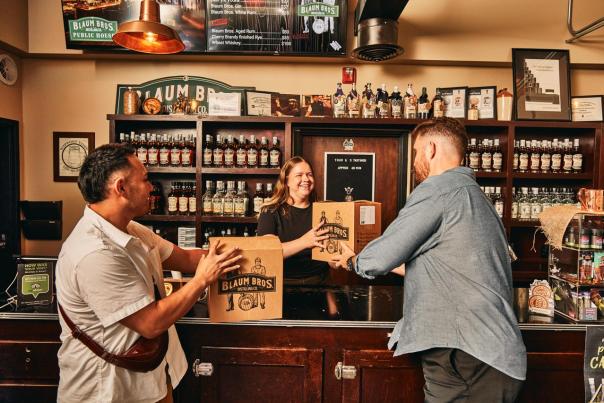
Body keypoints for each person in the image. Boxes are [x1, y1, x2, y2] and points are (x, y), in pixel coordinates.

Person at [331, 117, 526, 402]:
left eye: (416, 152)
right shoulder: (475, 196)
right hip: (489, 358)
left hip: (467, 358)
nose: (414, 162)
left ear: (431, 149)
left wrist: (354, 261)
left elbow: (379, 259)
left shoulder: (439, 190)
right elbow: (448, 267)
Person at [55, 143, 241, 402]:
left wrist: (259, 252)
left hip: (149, 379)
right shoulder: (94, 253)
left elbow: (187, 258)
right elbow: (150, 323)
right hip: (108, 390)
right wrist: (202, 280)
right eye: (145, 179)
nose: (152, 187)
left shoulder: (131, 229)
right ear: (121, 187)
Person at [257, 156, 330, 284]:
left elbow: (330, 258)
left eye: (309, 174)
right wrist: (304, 241)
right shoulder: (270, 212)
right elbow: (266, 252)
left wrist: (336, 259)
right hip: (282, 285)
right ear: (286, 181)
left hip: (320, 283)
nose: (306, 179)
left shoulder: (323, 211)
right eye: (299, 175)